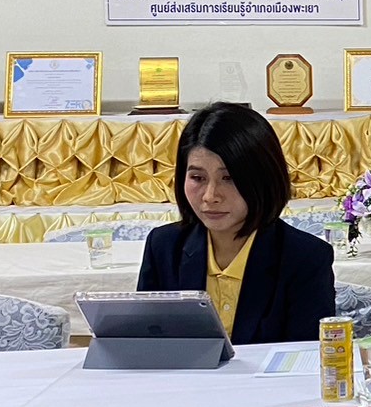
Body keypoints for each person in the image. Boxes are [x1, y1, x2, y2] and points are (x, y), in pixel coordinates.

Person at [138, 102, 334, 343]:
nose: (210, 196)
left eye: (228, 178)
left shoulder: (305, 258)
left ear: (264, 178)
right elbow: (145, 344)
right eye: (197, 177)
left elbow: (307, 357)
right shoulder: (163, 247)